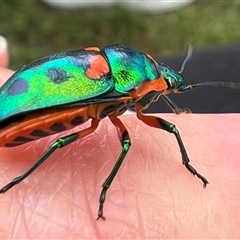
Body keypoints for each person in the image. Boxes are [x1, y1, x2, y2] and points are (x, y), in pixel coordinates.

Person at [0, 36, 239, 238]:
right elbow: (152, 92)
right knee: (125, 144)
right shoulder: (133, 87)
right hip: (54, 105)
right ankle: (20, 180)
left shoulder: (135, 75)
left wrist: (173, 105)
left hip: (48, 83)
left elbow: (154, 89)